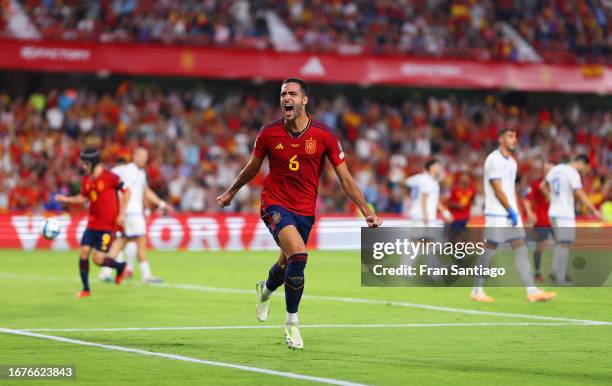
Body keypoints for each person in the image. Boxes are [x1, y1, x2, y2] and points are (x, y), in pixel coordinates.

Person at [216, 77, 382, 350]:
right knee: (299, 255)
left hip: (305, 210)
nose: (286, 98)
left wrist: (366, 211)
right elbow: (252, 167)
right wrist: (231, 192)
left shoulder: (324, 135)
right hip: (274, 204)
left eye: (292, 94)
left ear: (304, 99)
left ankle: (266, 291)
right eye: (283, 94)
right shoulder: (268, 133)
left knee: (286, 265)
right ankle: (292, 323)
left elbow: (345, 178)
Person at [471, 128, 556, 303]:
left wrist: (515, 210)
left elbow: (510, 190)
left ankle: (531, 290)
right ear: (500, 139)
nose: (514, 139)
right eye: (510, 136)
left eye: (515, 136)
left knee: (521, 248)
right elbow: (497, 188)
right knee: (489, 251)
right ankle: (476, 289)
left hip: (510, 213)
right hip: (497, 213)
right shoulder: (494, 159)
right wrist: (510, 210)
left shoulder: (512, 162)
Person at [55, 148, 130, 298]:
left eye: (85, 163)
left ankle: (120, 267)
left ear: (92, 163)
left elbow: (127, 191)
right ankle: (86, 289)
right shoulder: (86, 179)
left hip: (107, 226)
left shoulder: (111, 177)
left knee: (98, 259)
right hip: (92, 224)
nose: (83, 166)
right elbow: (83, 198)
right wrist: (66, 199)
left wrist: (121, 214)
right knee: (83, 252)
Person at [99, 147, 170, 283]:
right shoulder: (129, 171)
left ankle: (105, 271)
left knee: (121, 242)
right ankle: (146, 275)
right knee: (140, 241)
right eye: (142, 156)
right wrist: (121, 213)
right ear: (135, 156)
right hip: (132, 213)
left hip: (131, 213)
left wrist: (161, 203)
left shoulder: (140, 172)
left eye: (146, 157)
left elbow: (146, 191)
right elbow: (124, 191)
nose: (144, 159)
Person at [541, 155, 602, 284]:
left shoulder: (556, 169)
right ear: (581, 163)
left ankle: (554, 272)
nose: (583, 171)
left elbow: (543, 186)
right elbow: (579, 193)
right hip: (564, 213)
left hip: (553, 212)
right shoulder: (572, 173)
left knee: (560, 243)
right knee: (565, 243)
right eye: (585, 168)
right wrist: (594, 209)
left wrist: (551, 198)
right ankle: (560, 278)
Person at [523, 161, 554, 282]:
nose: (547, 172)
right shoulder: (536, 183)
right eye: (545, 169)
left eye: (550, 169)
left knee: (563, 246)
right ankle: (537, 273)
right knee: (539, 247)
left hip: (557, 220)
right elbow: (527, 199)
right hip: (542, 221)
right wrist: (530, 212)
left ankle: (559, 272)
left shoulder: (559, 183)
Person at [446, 170, 476, 243]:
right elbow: (447, 202)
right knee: (454, 235)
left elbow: (472, 200)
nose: (465, 180)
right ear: (460, 179)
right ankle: (450, 250)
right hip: (455, 217)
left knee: (465, 235)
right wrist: (457, 205)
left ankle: (463, 251)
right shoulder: (454, 189)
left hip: (466, 217)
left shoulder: (472, 190)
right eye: (463, 178)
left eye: (467, 178)